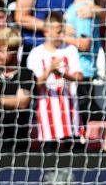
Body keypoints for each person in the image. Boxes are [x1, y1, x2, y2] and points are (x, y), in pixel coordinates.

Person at [26, 12, 84, 146]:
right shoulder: (36, 54)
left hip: (70, 114)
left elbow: (79, 77)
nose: (61, 36)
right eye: (58, 32)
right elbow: (35, 86)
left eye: (62, 32)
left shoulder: (70, 50)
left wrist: (62, 74)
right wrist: (49, 70)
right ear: (46, 32)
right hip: (48, 116)